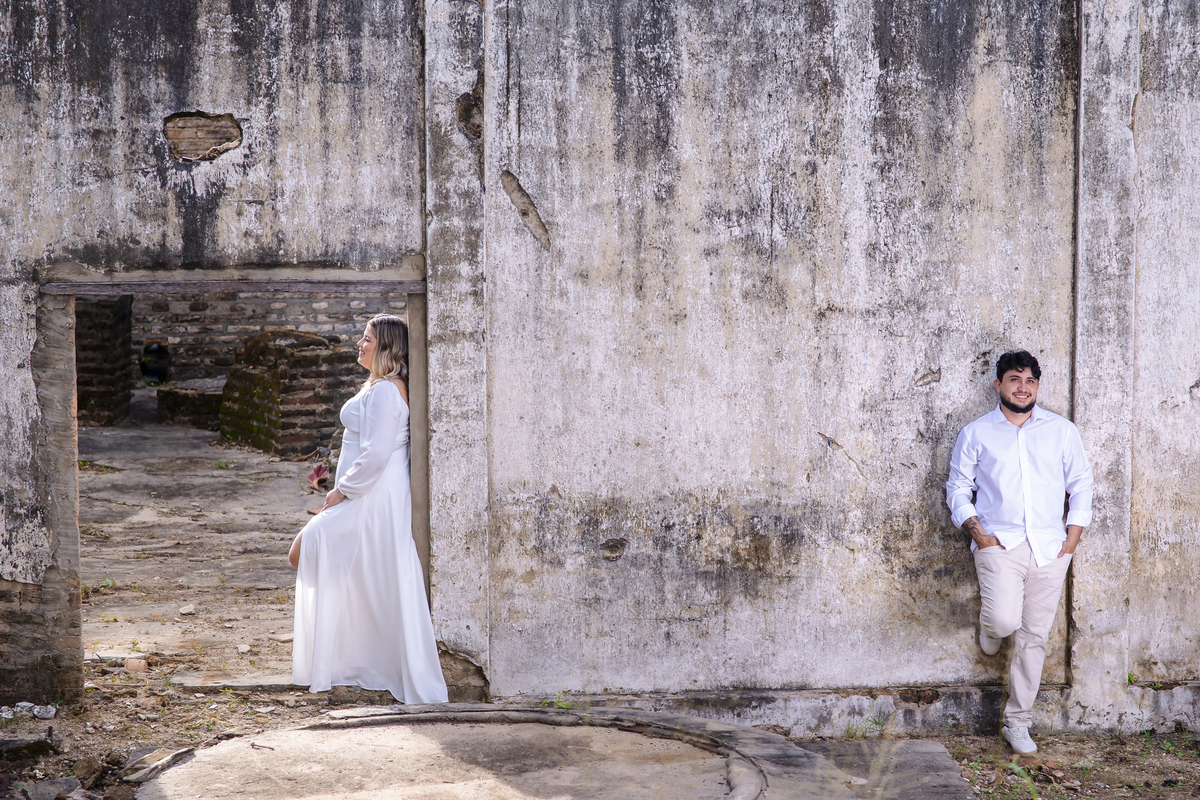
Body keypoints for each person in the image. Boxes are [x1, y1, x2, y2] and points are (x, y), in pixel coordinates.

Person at [288, 314, 448, 704]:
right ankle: (357, 657)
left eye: (367, 339)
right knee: (367, 571)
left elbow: (376, 454)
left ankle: (349, 656)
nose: (360, 344)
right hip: (374, 492)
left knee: (305, 550)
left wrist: (341, 492)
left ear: (387, 348)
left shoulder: (385, 392)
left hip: (370, 495)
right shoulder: (384, 388)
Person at [946, 350, 1092, 756]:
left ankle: (1018, 721)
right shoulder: (976, 432)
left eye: (1029, 381)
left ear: (1037, 387)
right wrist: (979, 532)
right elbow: (958, 487)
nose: (1022, 387)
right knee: (1005, 620)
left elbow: (1081, 483)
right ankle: (991, 628)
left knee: (1035, 638)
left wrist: (1072, 539)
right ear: (999, 385)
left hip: (1051, 547)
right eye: (1014, 379)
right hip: (999, 544)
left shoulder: (1061, 430)